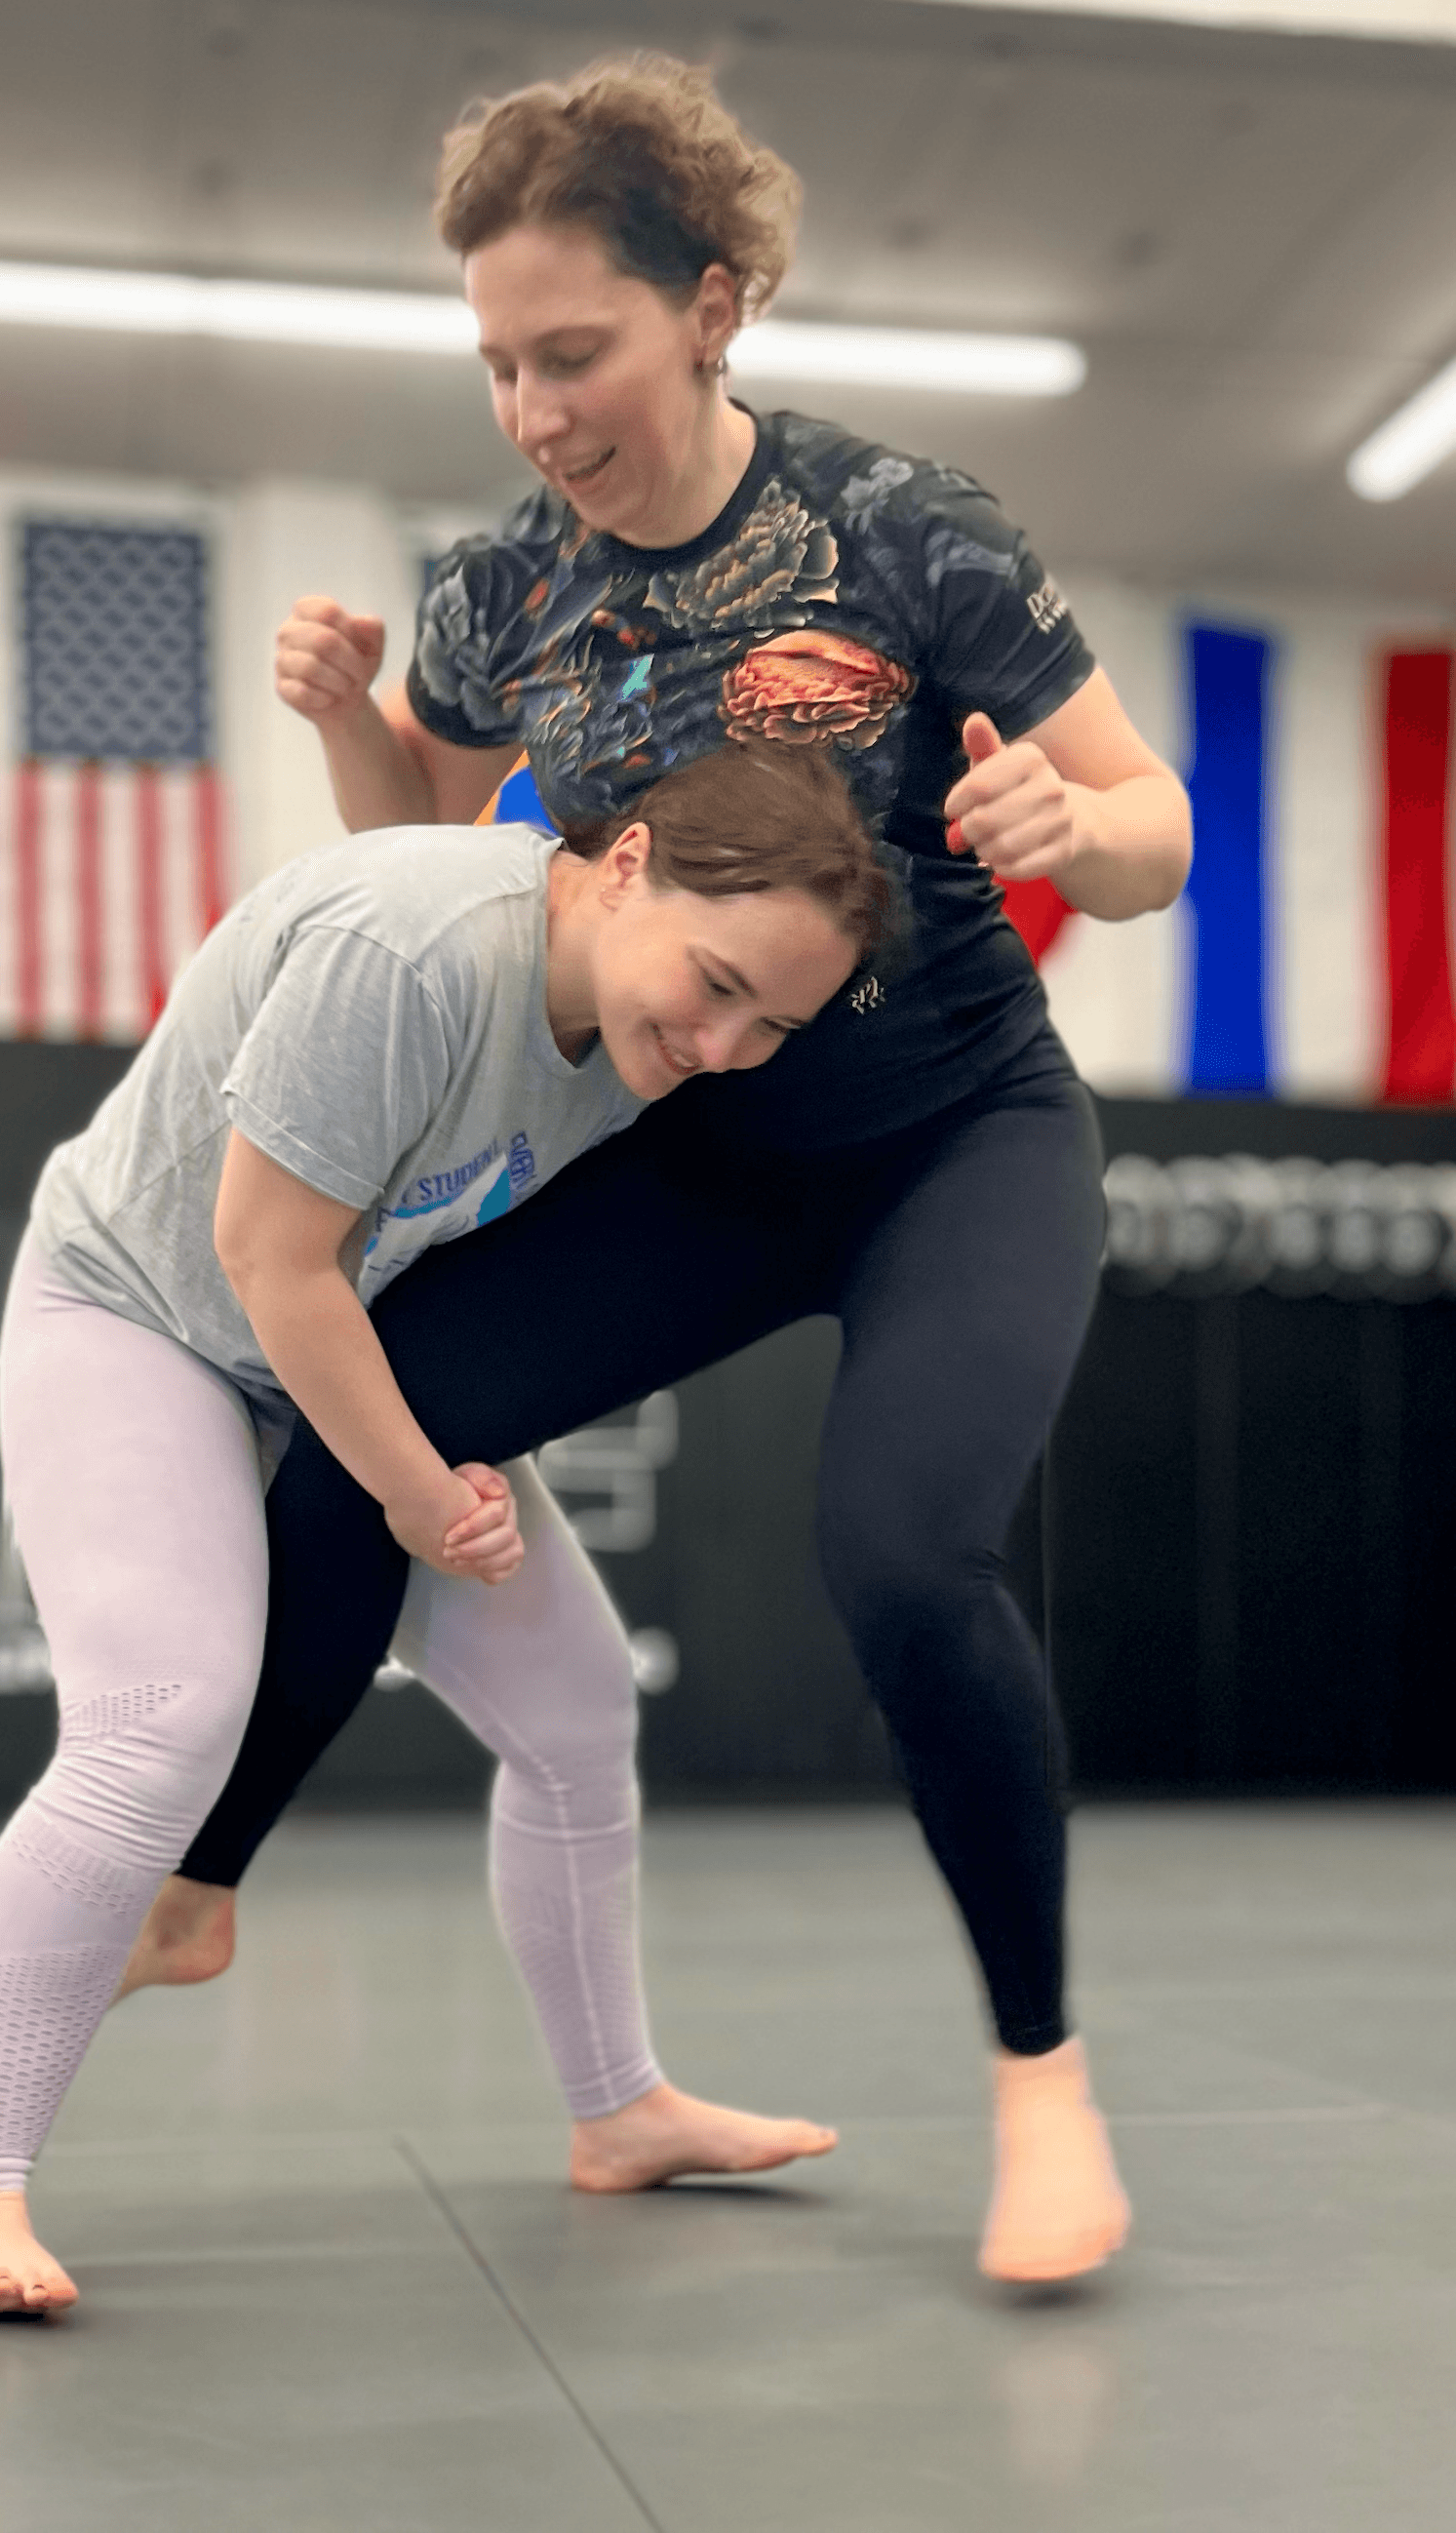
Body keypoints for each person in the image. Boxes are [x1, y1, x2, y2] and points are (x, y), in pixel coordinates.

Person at [120, 53, 1193, 2287]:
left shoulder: (909, 526)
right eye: (496, 361)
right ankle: (204, 1874)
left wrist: (1065, 833)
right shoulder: (503, 586)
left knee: (900, 1548)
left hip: (949, 1142)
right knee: (372, 1399)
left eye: (573, 352)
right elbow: (434, 858)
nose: (531, 407)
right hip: (694, 1144)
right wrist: (348, 713)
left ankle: (1039, 2073)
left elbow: (1153, 825)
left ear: (710, 306)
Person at [0, 734, 890, 2318]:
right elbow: (266, 1256)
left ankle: (618, 2109)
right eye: (713, 985)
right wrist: (421, 1493)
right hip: (143, 1320)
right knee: (160, 1721)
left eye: (768, 1024)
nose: (719, 1041)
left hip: (330, 1356)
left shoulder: (632, 1027)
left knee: (575, 1712)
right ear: (625, 864)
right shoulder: (414, 950)